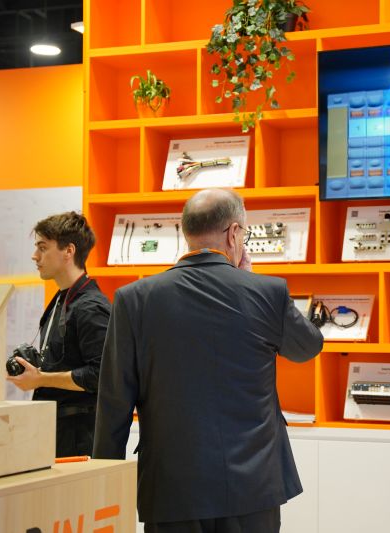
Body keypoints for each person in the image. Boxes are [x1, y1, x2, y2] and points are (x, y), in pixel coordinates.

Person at [93, 188, 324, 533]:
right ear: (234, 233)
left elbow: (114, 401)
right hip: (253, 487)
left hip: (172, 489)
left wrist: (104, 483)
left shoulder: (133, 300)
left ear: (187, 233)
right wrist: (249, 277)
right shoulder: (267, 291)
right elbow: (308, 347)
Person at [7, 211, 110, 457]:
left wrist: (40, 378)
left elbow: (100, 375)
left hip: (79, 440)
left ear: (68, 251)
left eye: (43, 248)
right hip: (57, 431)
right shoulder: (61, 299)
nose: (35, 256)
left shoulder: (90, 307)